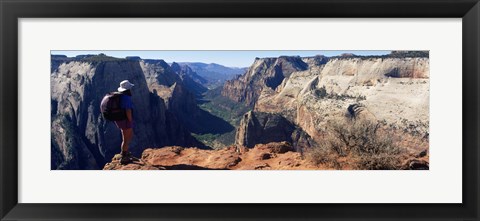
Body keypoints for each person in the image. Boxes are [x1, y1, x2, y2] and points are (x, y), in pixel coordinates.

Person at [115, 80, 135, 165]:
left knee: (127, 137)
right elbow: (128, 110)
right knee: (126, 139)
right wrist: (130, 120)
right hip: (125, 120)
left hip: (120, 120)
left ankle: (125, 152)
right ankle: (124, 157)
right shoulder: (126, 98)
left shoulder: (120, 96)